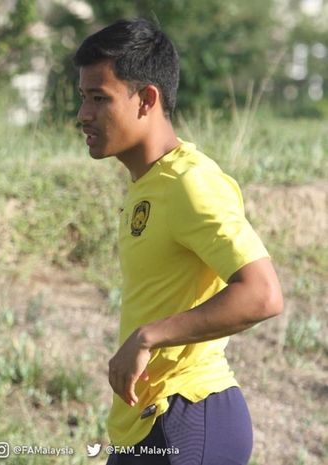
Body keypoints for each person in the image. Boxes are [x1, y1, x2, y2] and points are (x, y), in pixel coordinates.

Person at [74, 19, 283, 465]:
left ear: (147, 99)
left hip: (189, 417)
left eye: (99, 98)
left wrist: (149, 337)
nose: (83, 115)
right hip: (146, 424)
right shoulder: (147, 185)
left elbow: (262, 294)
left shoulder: (191, 182)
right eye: (82, 98)